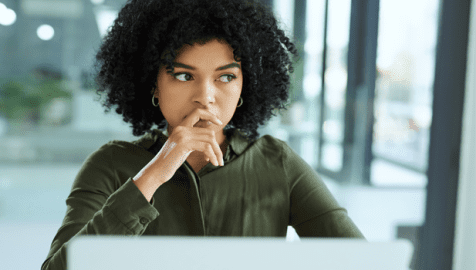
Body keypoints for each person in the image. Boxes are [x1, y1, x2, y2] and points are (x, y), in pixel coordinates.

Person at [42, 0, 364, 269]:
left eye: (225, 78)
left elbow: (360, 261)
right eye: (184, 75)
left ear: (243, 89)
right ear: (153, 84)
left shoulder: (278, 163)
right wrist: (153, 174)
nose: (205, 97)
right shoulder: (110, 163)